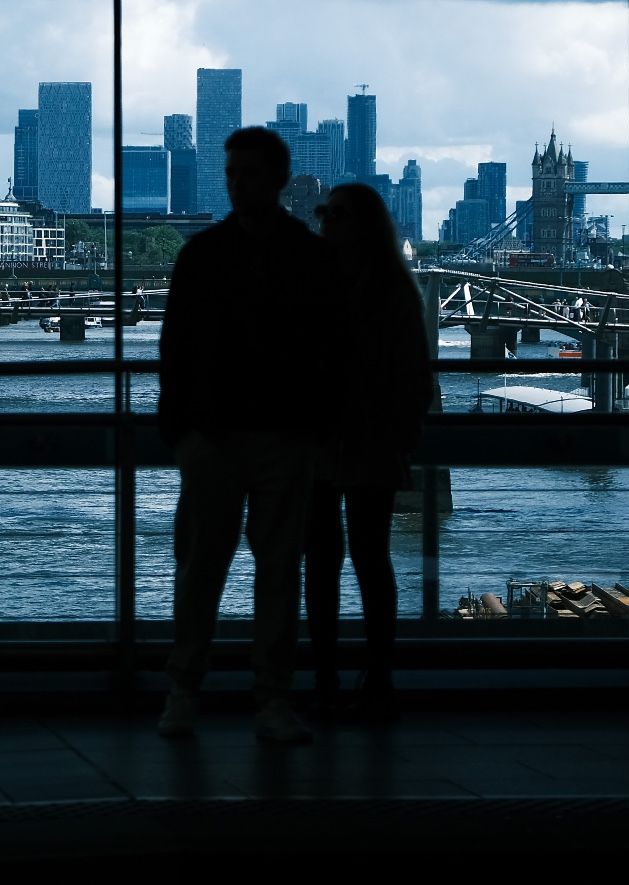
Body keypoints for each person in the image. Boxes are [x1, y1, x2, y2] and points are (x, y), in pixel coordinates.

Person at [156, 127, 346, 745]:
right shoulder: (309, 258)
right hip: (241, 436)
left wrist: (177, 432)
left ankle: (198, 692)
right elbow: (175, 350)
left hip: (247, 436)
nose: (237, 183)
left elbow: (177, 352)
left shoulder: (205, 254)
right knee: (241, 569)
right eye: (232, 172)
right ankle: (252, 697)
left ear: (278, 180)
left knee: (223, 568)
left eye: (248, 173)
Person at [304, 183, 437, 723]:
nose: (325, 223)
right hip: (354, 440)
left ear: (362, 223)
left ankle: (344, 679)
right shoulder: (393, 290)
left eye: (335, 215)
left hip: (346, 438)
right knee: (359, 562)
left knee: (344, 561)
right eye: (323, 214)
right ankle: (359, 677)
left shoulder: (324, 286)